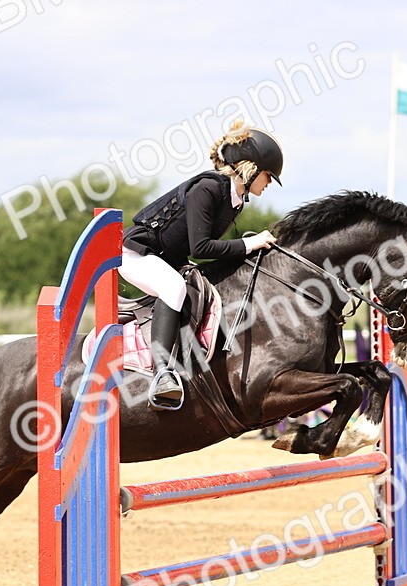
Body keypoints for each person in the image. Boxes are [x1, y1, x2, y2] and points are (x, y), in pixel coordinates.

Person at [121, 121, 285, 410]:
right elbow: (201, 248)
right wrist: (250, 243)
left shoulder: (234, 200)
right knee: (172, 287)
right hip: (136, 254)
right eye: (268, 176)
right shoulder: (208, 188)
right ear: (250, 169)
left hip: (165, 258)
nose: (269, 183)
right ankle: (162, 374)